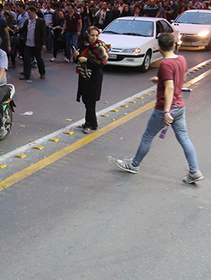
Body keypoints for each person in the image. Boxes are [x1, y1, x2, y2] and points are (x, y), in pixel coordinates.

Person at [116, 33, 203, 184]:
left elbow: (170, 88)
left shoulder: (165, 64)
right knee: (184, 138)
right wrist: (161, 79)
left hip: (165, 108)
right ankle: (194, 171)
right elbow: (180, 79)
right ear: (174, 45)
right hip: (180, 106)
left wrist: (166, 111)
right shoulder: (181, 59)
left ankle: (134, 164)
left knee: (148, 136)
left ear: (159, 47)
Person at [72, 27, 107, 134]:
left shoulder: (100, 48)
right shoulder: (83, 45)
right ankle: (93, 123)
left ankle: (89, 124)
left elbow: (102, 63)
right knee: (87, 100)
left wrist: (87, 60)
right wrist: (76, 56)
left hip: (94, 77)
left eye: (96, 35)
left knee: (90, 101)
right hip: (84, 76)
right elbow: (77, 60)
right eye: (92, 35)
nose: (94, 38)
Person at [19, 6, 47, 81]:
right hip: (28, 43)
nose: (29, 14)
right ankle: (27, 74)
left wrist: (43, 44)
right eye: (28, 12)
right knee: (26, 59)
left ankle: (42, 73)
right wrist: (17, 29)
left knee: (38, 59)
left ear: (34, 12)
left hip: (36, 44)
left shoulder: (40, 21)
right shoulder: (27, 21)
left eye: (29, 12)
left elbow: (43, 33)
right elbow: (23, 30)